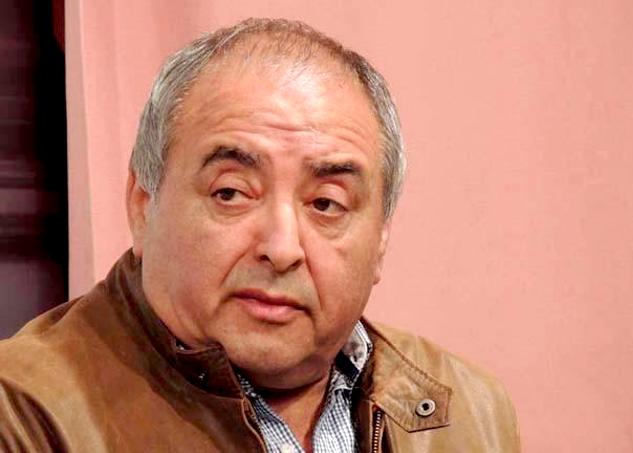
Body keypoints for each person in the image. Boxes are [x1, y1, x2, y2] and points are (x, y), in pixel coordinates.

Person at [0, 18, 520, 452]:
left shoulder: (470, 409)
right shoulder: (23, 413)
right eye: (231, 193)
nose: (282, 248)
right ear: (143, 204)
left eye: (325, 204)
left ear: (381, 237)